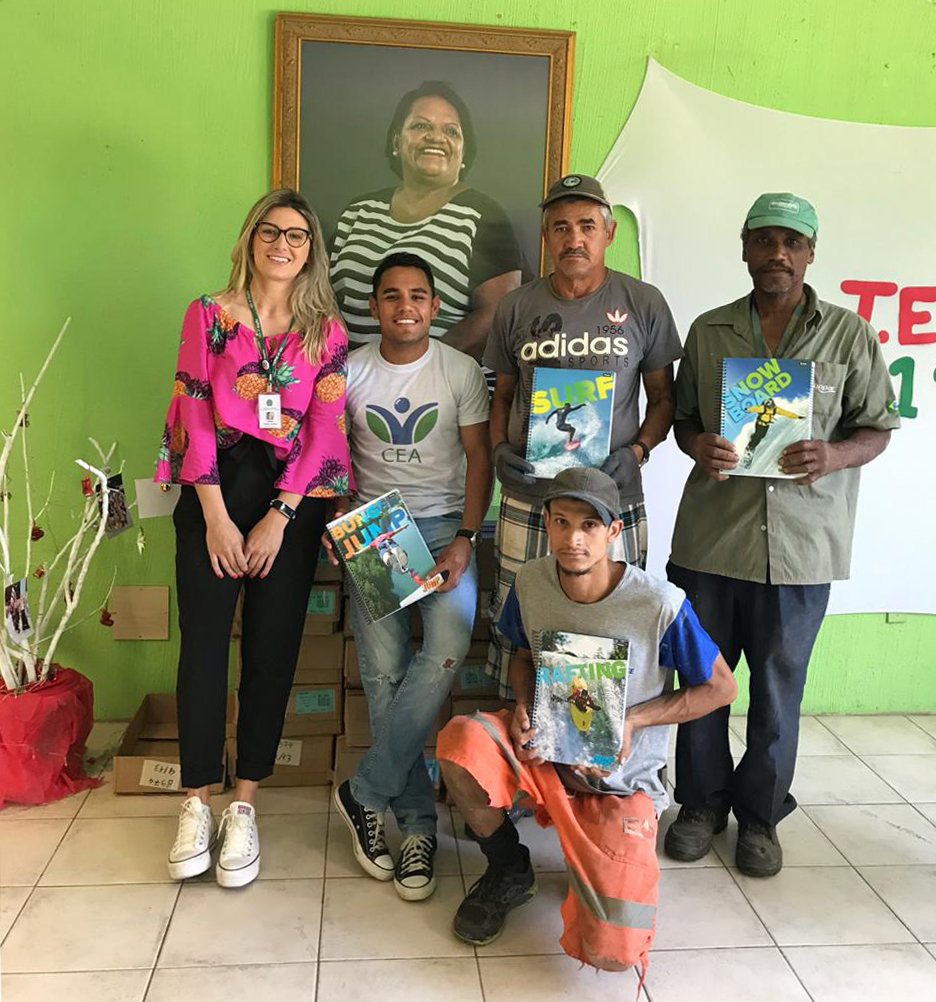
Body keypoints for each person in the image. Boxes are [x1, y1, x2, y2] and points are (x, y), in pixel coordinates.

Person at [664, 192, 900, 877]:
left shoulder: (849, 334)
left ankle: (761, 817)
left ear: (810, 253)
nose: (777, 254)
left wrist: (835, 454)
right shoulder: (709, 331)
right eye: (764, 240)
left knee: (777, 692)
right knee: (701, 678)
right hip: (712, 542)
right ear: (744, 247)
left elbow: (878, 429)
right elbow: (683, 420)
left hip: (802, 550)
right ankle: (700, 806)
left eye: (791, 242)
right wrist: (698, 444)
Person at [437, 467, 737, 973]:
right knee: (460, 743)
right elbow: (523, 656)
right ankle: (510, 868)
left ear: (614, 531)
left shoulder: (659, 603)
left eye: (589, 525)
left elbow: (722, 688)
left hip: (621, 782)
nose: (573, 539)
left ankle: (597, 860)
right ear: (547, 524)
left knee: (612, 953)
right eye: (561, 522)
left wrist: (633, 721)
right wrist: (525, 706)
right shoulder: (531, 582)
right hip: (545, 758)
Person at [155, 188, 352, 887]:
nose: (282, 245)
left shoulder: (325, 331)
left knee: (272, 652)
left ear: (310, 249)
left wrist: (280, 517)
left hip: (286, 504)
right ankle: (196, 801)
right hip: (212, 490)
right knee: (204, 650)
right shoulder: (208, 314)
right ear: (249, 238)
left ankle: (244, 804)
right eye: (270, 231)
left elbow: (325, 428)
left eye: (297, 235)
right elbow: (192, 407)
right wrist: (214, 515)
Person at [325, 251, 493, 900]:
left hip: (446, 523)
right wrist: (339, 516)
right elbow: (331, 453)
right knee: (385, 672)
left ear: (434, 306)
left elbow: (479, 459)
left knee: (448, 645)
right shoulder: (351, 370)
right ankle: (418, 826)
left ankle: (366, 790)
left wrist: (465, 539)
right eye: (392, 296)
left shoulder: (460, 370)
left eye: (417, 295)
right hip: (376, 524)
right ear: (374, 307)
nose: (405, 306)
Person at [484, 173, 683, 695]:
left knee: (610, 622)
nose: (574, 238)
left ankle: (606, 733)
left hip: (610, 503)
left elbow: (664, 399)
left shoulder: (643, 302)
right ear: (545, 237)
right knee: (522, 621)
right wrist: (499, 448)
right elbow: (501, 396)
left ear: (609, 233)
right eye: (561, 227)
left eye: (587, 226)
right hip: (530, 498)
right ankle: (525, 725)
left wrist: (638, 451)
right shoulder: (515, 306)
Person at [330, 81, 527, 360]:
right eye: (421, 126)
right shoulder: (358, 211)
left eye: (450, 131)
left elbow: (499, 312)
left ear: (463, 151)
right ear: (397, 142)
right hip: (351, 379)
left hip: (443, 383)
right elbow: (321, 299)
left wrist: (420, 367)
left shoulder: (482, 215)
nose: (436, 137)